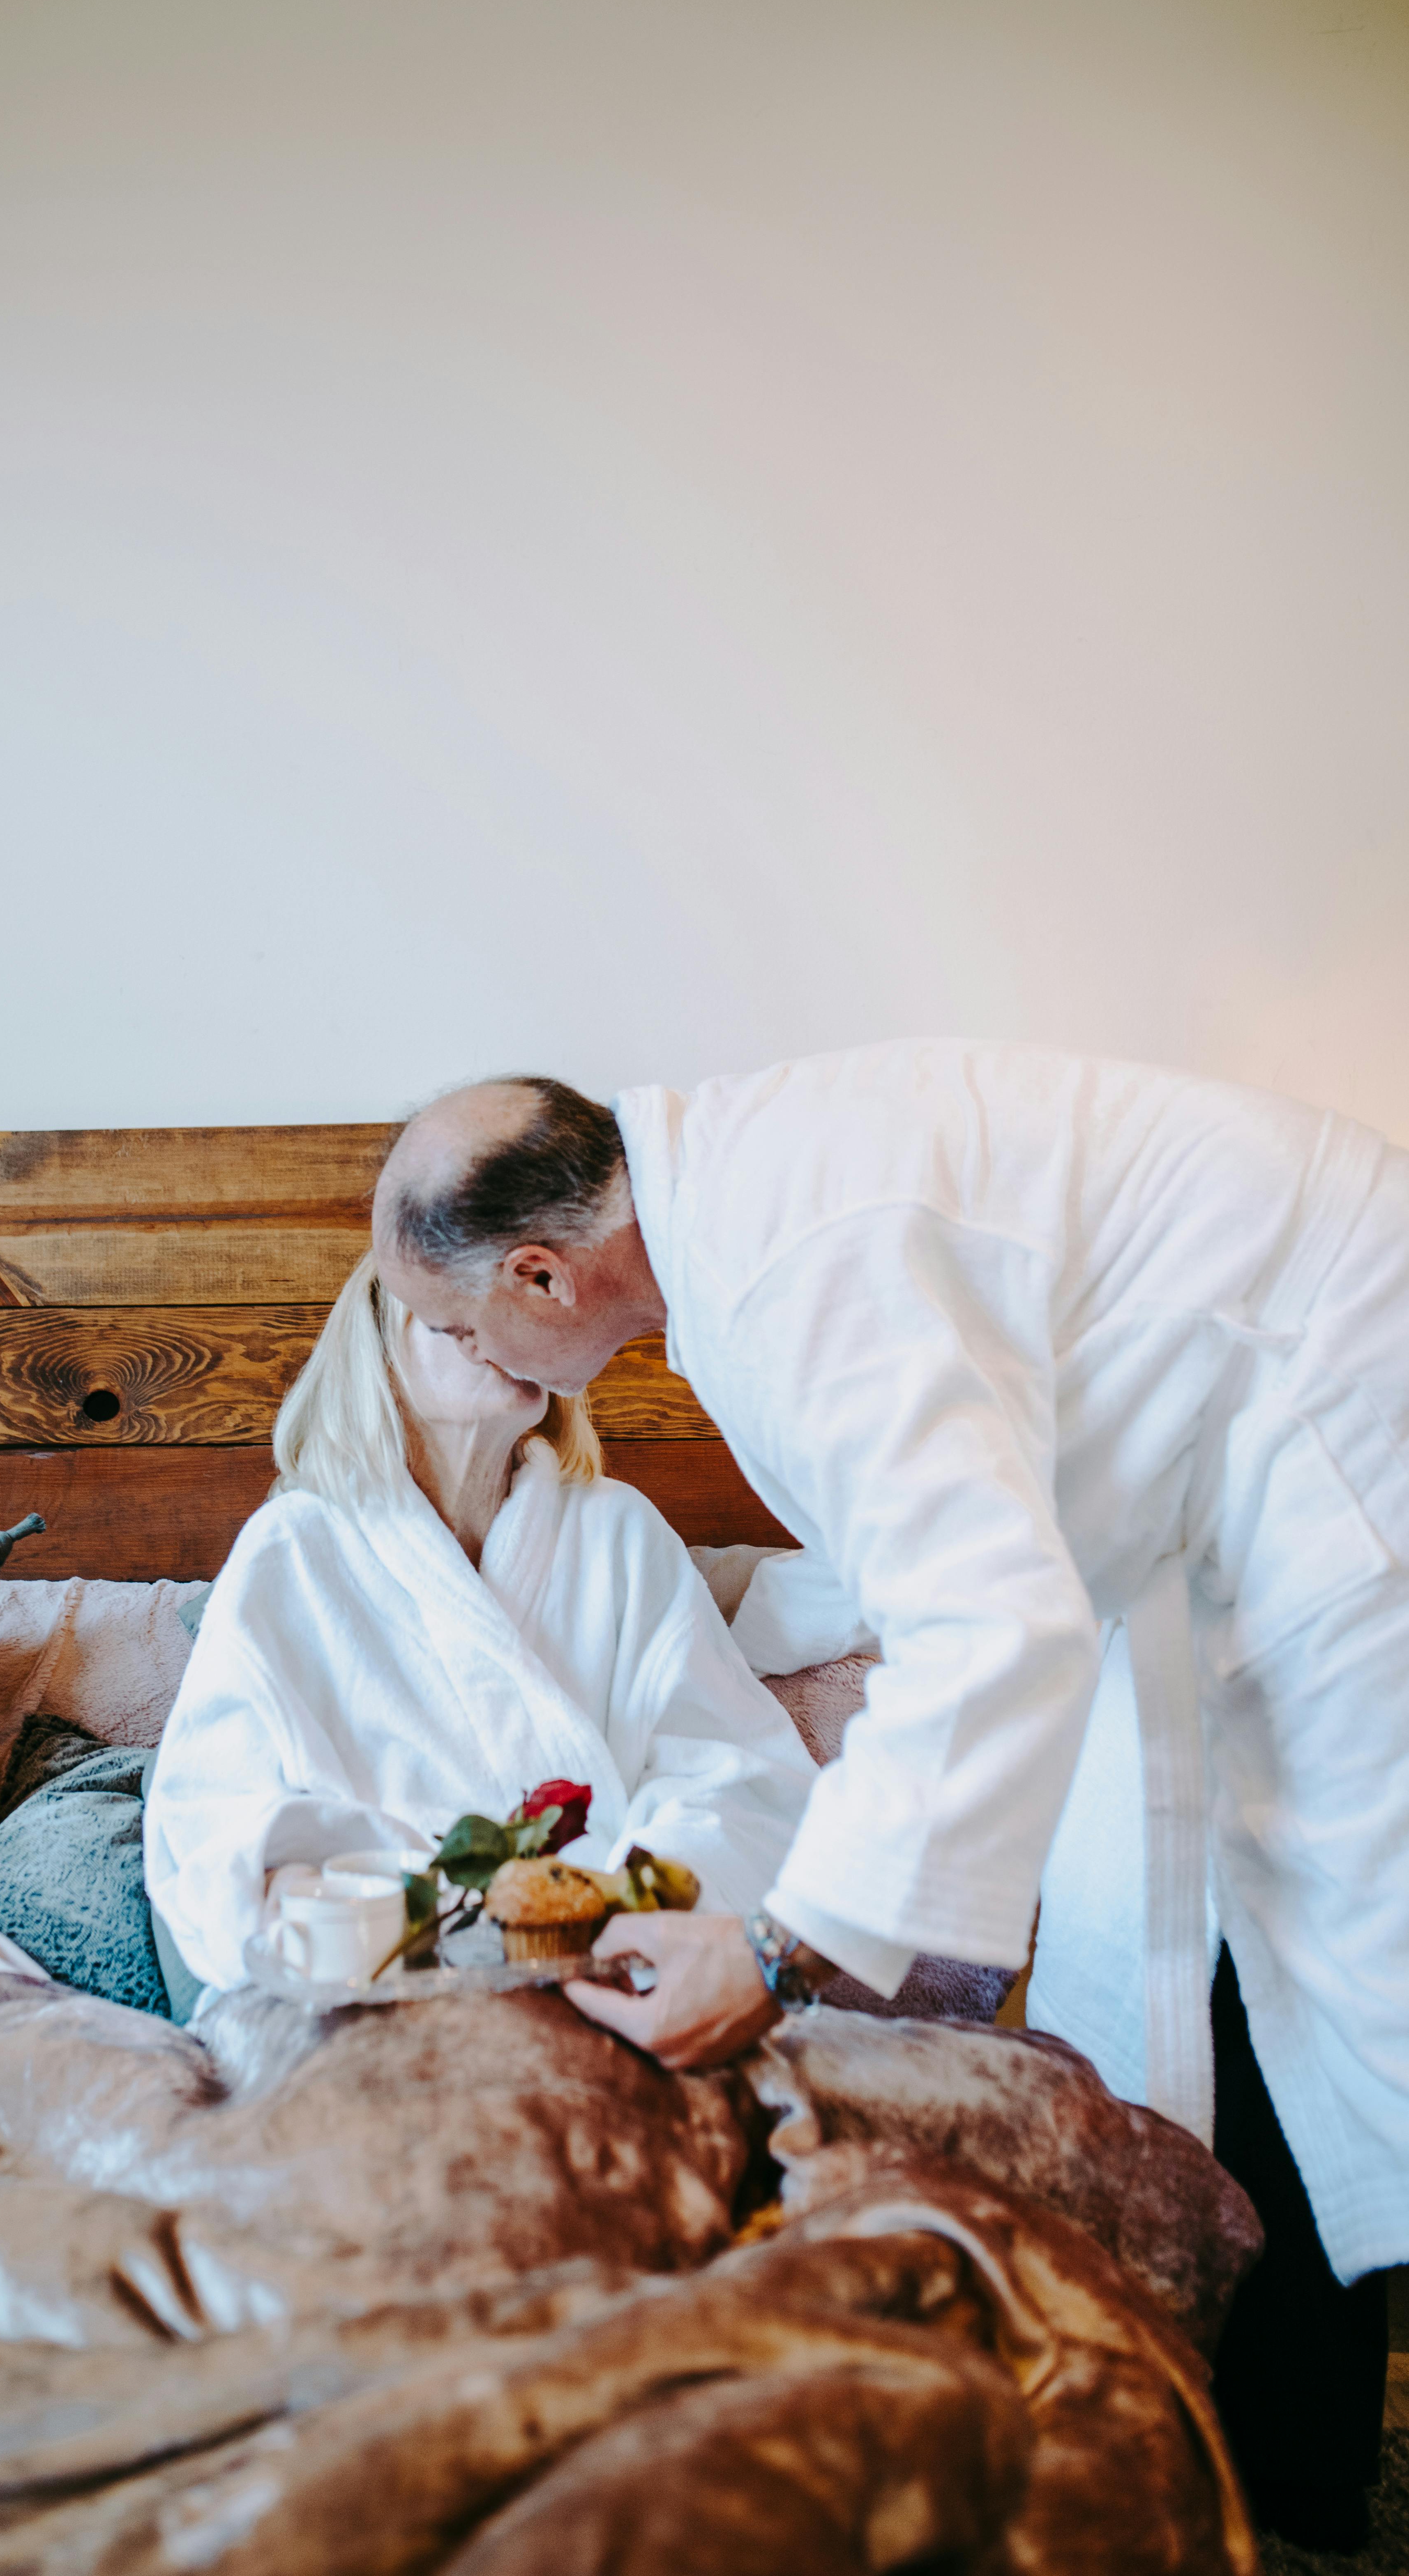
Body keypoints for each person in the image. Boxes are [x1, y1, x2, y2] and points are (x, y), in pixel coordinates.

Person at [372, 1049, 1409, 2553]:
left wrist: (785, 1950)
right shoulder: (734, 1200)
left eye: (475, 1325)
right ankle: (1286, 2454)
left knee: (1359, 1951)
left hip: (1346, 1401)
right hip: (1238, 1450)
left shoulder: (787, 1274)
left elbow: (992, 1620)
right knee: (1203, 1942)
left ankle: (1307, 2472)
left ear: (540, 1273)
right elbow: (931, 1520)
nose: (496, 1372)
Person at [143, 1250, 812, 1999]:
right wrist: (396, 1909)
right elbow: (214, 1821)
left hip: (617, 1976)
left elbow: (739, 1777)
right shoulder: (293, 1550)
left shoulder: (620, 1531)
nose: (508, 1327)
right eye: (462, 1312)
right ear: (381, 1347)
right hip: (384, 1990)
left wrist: (618, 1906)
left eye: (530, 1308)